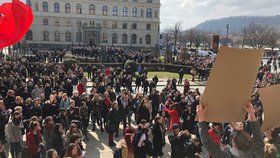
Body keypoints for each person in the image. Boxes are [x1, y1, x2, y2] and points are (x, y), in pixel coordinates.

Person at [196, 102, 264, 158]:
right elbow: (208, 144)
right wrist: (201, 117)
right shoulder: (257, 153)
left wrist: (251, 113)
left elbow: (208, 144)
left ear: (234, 143)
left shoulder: (229, 156)